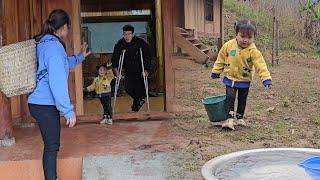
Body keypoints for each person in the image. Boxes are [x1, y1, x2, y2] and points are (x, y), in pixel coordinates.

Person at [27, 9, 90, 180]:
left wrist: (80, 57)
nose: (68, 32)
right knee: (52, 145)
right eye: (68, 28)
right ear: (63, 27)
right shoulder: (54, 47)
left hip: (39, 102)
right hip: (44, 104)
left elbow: (62, 63)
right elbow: (57, 83)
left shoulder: (46, 43)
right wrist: (67, 110)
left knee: (51, 144)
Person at [211, 20, 272, 130]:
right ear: (236, 34)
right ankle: (229, 119)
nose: (245, 40)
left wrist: (266, 78)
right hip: (230, 78)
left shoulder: (253, 51)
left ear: (254, 38)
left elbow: (260, 65)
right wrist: (216, 71)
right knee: (230, 98)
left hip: (244, 80)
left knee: (242, 100)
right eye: (242, 36)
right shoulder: (228, 46)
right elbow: (220, 58)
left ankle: (239, 118)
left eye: (249, 37)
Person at [111, 24, 151, 112]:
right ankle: (139, 100)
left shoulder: (140, 43)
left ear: (133, 34)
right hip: (128, 69)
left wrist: (147, 69)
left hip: (140, 68)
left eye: (129, 34)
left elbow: (147, 56)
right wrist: (116, 71)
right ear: (123, 34)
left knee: (139, 88)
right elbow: (115, 58)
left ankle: (135, 106)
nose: (127, 36)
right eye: (125, 34)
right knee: (128, 88)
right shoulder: (120, 44)